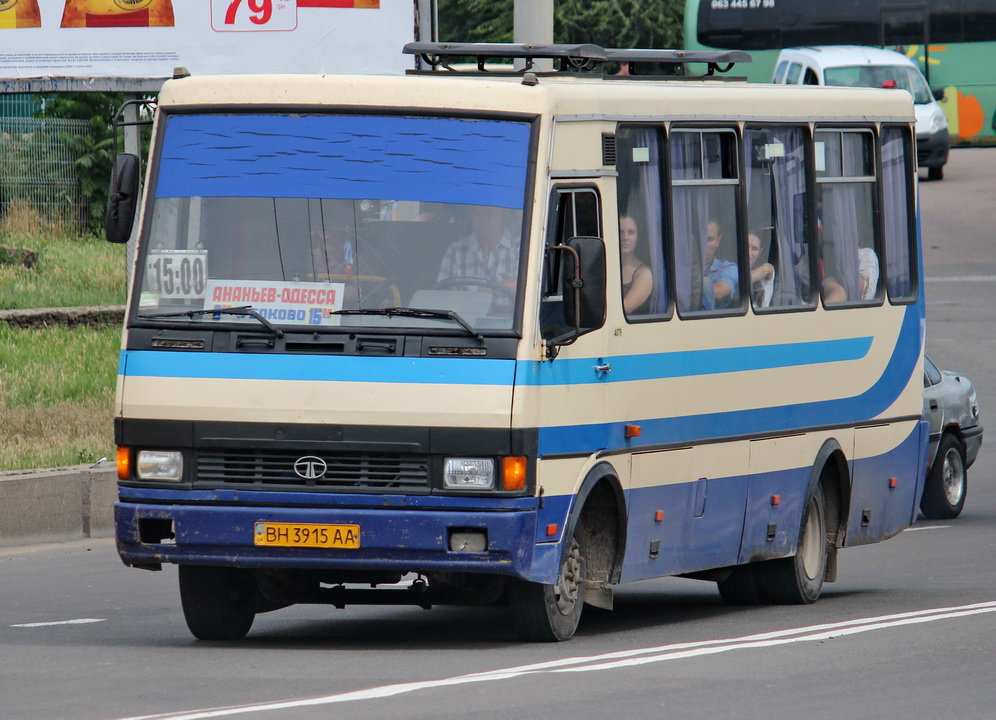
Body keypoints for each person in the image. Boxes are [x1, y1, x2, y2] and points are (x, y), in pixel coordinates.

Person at [437, 205, 519, 290]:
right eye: (477, 214)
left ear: (503, 215)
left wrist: (485, 291)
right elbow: (442, 294)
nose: (483, 220)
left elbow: (524, 283)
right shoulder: (456, 250)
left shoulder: (520, 247)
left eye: (489, 213)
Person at [619, 215, 653, 315]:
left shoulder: (644, 273)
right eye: (620, 232)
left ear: (638, 236)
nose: (625, 237)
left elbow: (626, 307)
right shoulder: (607, 268)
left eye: (630, 232)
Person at [703, 219, 738, 310]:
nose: (704, 244)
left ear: (718, 241)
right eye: (700, 238)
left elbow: (719, 293)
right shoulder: (682, 267)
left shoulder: (728, 268)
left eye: (709, 239)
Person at [748, 233, 775, 307]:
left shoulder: (766, 269)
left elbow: (766, 269)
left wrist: (737, 281)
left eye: (754, 249)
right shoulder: (730, 270)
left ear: (760, 252)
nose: (749, 253)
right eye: (745, 246)